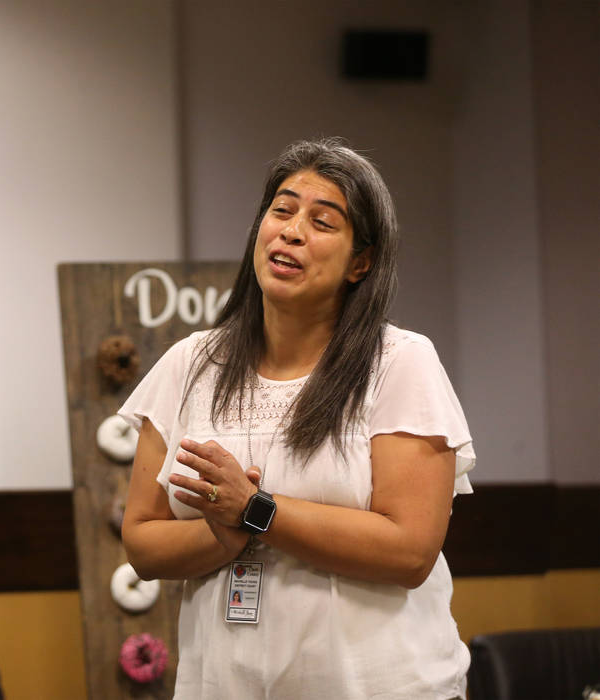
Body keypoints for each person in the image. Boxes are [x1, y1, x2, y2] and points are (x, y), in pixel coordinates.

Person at [121, 138, 474, 699]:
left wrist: (258, 509)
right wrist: (223, 535)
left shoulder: (401, 362)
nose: (291, 231)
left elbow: (410, 551)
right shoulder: (190, 364)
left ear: (361, 261)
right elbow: (141, 541)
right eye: (281, 210)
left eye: (323, 221)